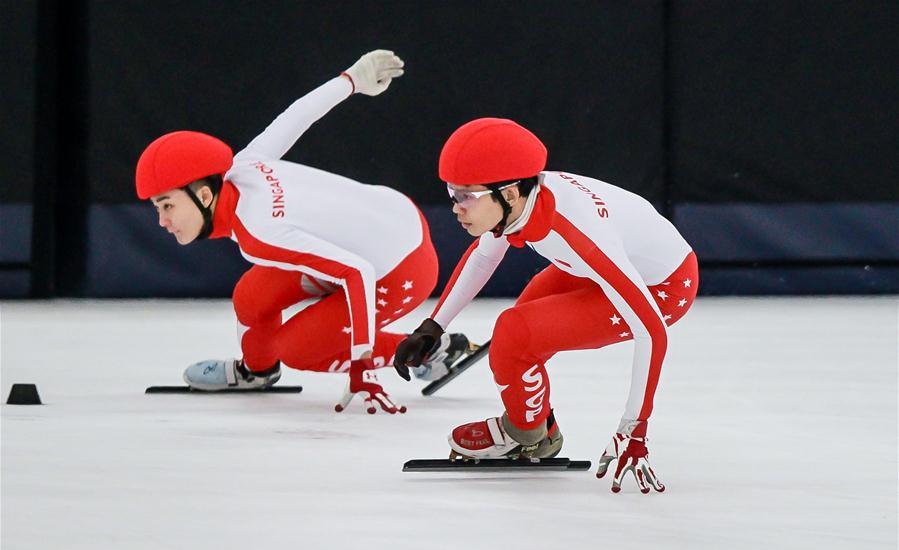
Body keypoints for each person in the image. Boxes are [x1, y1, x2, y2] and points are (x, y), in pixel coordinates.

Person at [134, 50, 470, 414]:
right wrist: (351, 81)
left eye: (167, 206)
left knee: (297, 350)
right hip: (390, 219)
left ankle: (429, 350)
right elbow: (296, 116)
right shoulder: (244, 165)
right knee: (251, 297)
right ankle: (256, 372)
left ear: (203, 196)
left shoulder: (259, 231)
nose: (162, 221)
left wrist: (361, 363)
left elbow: (358, 272)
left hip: (401, 270)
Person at [394, 118, 698, 491]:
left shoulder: (579, 231)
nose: (456, 207)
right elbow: (484, 257)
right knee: (518, 332)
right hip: (595, 266)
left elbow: (651, 332)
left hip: (662, 287)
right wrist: (432, 327)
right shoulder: (521, 197)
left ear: (509, 194)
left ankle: (524, 435)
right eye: (451, 193)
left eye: (466, 196)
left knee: (515, 333)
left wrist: (634, 430)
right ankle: (540, 425)